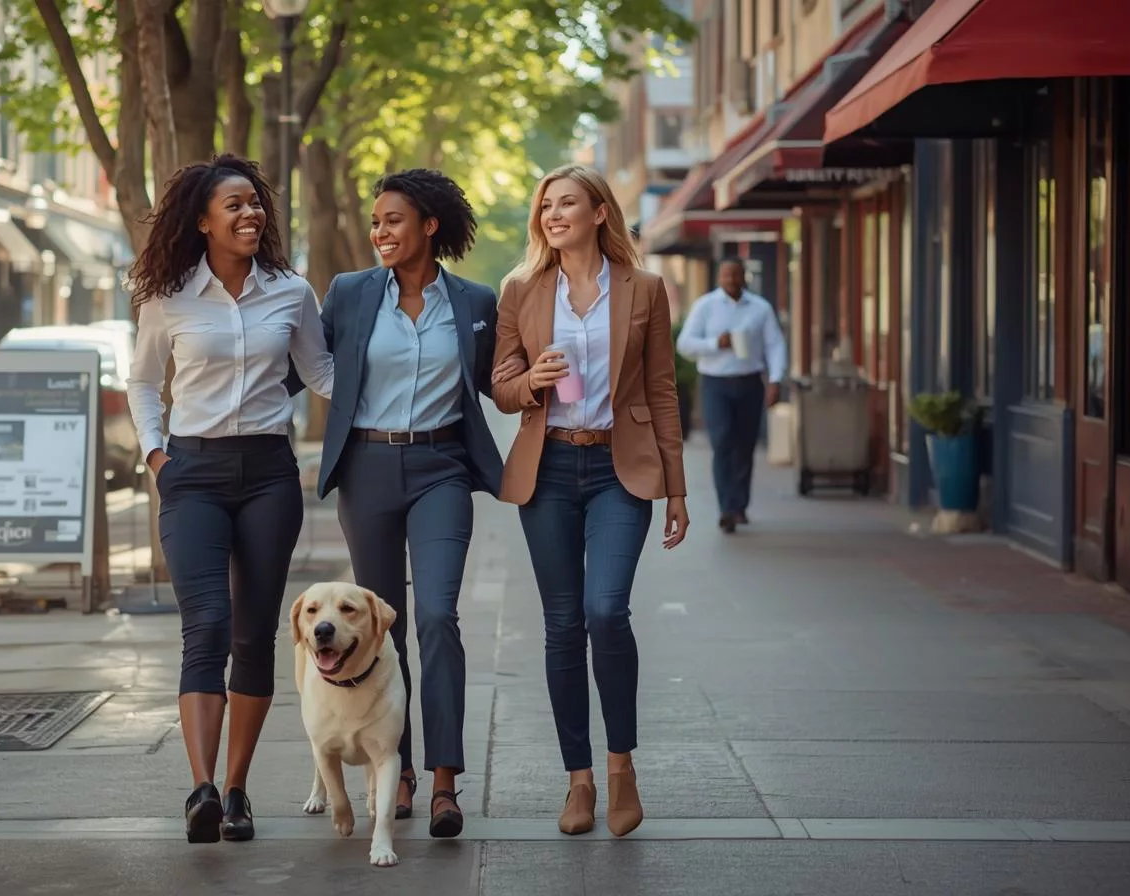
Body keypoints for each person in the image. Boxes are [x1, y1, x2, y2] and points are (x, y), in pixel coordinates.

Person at [126, 154, 335, 845]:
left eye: (256, 203)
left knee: (253, 633)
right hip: (193, 473)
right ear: (203, 220)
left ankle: (239, 788)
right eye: (235, 205)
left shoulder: (291, 292)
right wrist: (158, 456)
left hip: (270, 475)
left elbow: (321, 373)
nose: (251, 215)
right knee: (206, 625)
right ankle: (201, 789)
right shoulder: (167, 296)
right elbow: (143, 381)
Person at [313, 168, 520, 839]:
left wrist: (543, 378)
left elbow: (497, 382)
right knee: (375, 628)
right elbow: (302, 360)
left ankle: (443, 783)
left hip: (441, 468)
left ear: (430, 226)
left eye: (393, 220)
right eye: (376, 222)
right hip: (367, 467)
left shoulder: (475, 301)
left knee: (435, 616)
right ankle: (392, 770)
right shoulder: (348, 294)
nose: (380, 233)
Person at [489, 163, 690, 838]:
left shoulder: (645, 289)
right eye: (545, 205)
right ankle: (578, 779)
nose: (552, 215)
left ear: (600, 211)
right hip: (547, 468)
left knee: (607, 611)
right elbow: (501, 381)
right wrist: (531, 382)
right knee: (562, 622)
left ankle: (621, 766)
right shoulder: (522, 287)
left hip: (617, 468)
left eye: (567, 203)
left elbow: (662, 390)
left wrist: (677, 489)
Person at [674, 259, 786, 533]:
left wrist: (775, 380)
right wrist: (715, 343)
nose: (731, 280)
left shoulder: (760, 308)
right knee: (723, 442)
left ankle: (739, 505)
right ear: (719, 278)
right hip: (715, 384)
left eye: (735, 275)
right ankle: (727, 507)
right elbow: (684, 344)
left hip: (750, 382)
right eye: (726, 275)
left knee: (745, 445)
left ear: (743, 277)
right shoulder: (705, 306)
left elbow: (775, 345)